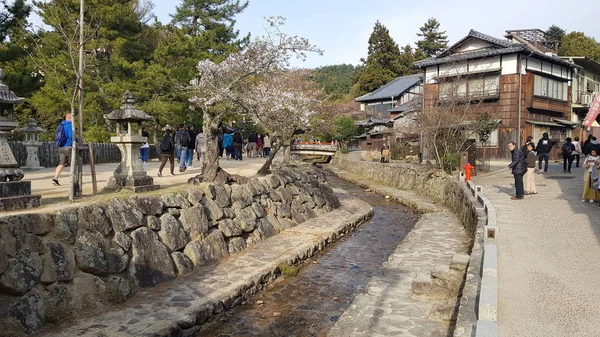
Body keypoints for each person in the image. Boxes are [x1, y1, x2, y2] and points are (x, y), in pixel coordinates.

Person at [51, 113, 74, 186]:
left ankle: (55, 178)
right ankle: (74, 180)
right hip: (68, 147)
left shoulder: (60, 126)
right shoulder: (69, 125)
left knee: (61, 164)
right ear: (70, 118)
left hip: (61, 147)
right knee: (73, 163)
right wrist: (77, 140)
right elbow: (71, 136)